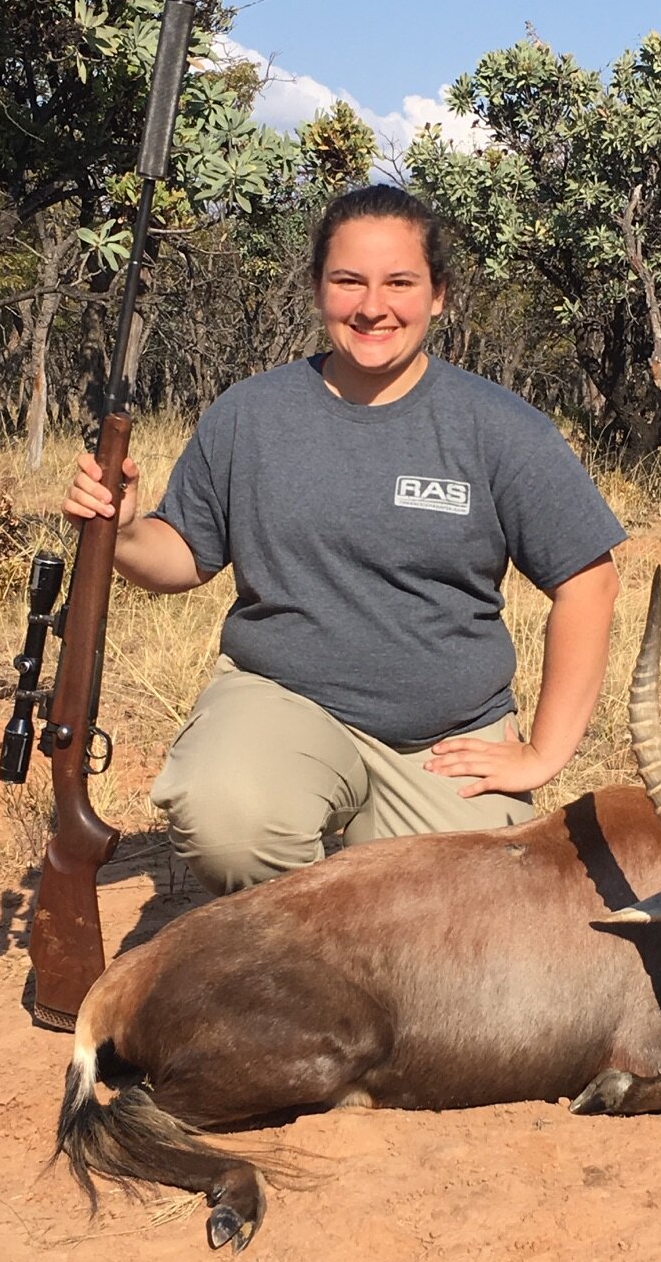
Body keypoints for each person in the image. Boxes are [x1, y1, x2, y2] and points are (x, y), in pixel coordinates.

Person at [64, 184, 626, 895]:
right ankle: (298, 949)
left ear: (439, 294)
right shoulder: (252, 413)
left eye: (400, 282)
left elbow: (589, 581)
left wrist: (542, 753)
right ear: (317, 289)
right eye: (348, 281)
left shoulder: (499, 427)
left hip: (446, 739)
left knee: (457, 922)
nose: (372, 306)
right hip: (283, 700)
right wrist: (120, 533)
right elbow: (183, 555)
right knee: (231, 822)